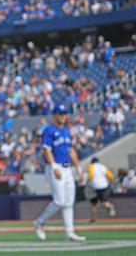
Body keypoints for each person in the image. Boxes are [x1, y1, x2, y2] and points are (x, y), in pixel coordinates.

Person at [33, 104, 86, 242]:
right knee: (60, 201)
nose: (63, 116)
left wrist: (79, 169)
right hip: (55, 167)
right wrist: (54, 166)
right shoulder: (49, 130)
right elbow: (47, 150)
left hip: (68, 169)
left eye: (64, 114)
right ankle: (39, 222)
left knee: (69, 202)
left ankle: (70, 233)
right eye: (60, 113)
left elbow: (71, 151)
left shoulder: (67, 131)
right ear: (54, 115)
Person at [87, 157, 116, 222]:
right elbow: (110, 176)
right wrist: (111, 183)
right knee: (102, 202)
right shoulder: (103, 166)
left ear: (92, 162)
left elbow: (91, 175)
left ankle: (93, 218)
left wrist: (88, 181)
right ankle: (93, 219)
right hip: (104, 186)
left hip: (95, 187)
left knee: (94, 203)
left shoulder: (91, 166)